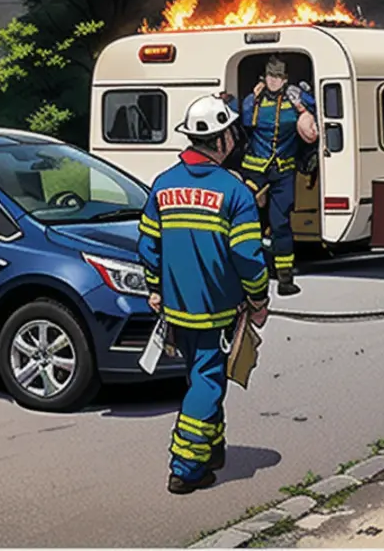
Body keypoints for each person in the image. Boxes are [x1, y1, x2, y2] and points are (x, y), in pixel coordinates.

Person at [137, 93, 271, 495]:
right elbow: (248, 256)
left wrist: (155, 289)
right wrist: (260, 299)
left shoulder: (163, 185)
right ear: (220, 139)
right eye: (231, 132)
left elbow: (148, 245)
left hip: (177, 309)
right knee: (208, 383)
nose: (234, 139)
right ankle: (185, 467)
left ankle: (212, 450)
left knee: (200, 377)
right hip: (217, 310)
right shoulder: (236, 193)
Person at [240, 56, 316, 296]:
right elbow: (244, 122)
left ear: (285, 79)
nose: (275, 81)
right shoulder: (253, 100)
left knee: (281, 222)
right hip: (254, 171)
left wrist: (302, 105)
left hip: (283, 172)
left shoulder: (296, 98)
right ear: (265, 77)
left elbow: (316, 116)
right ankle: (251, 274)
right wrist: (249, 99)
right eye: (271, 76)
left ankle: (285, 279)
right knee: (248, 221)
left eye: (279, 77)